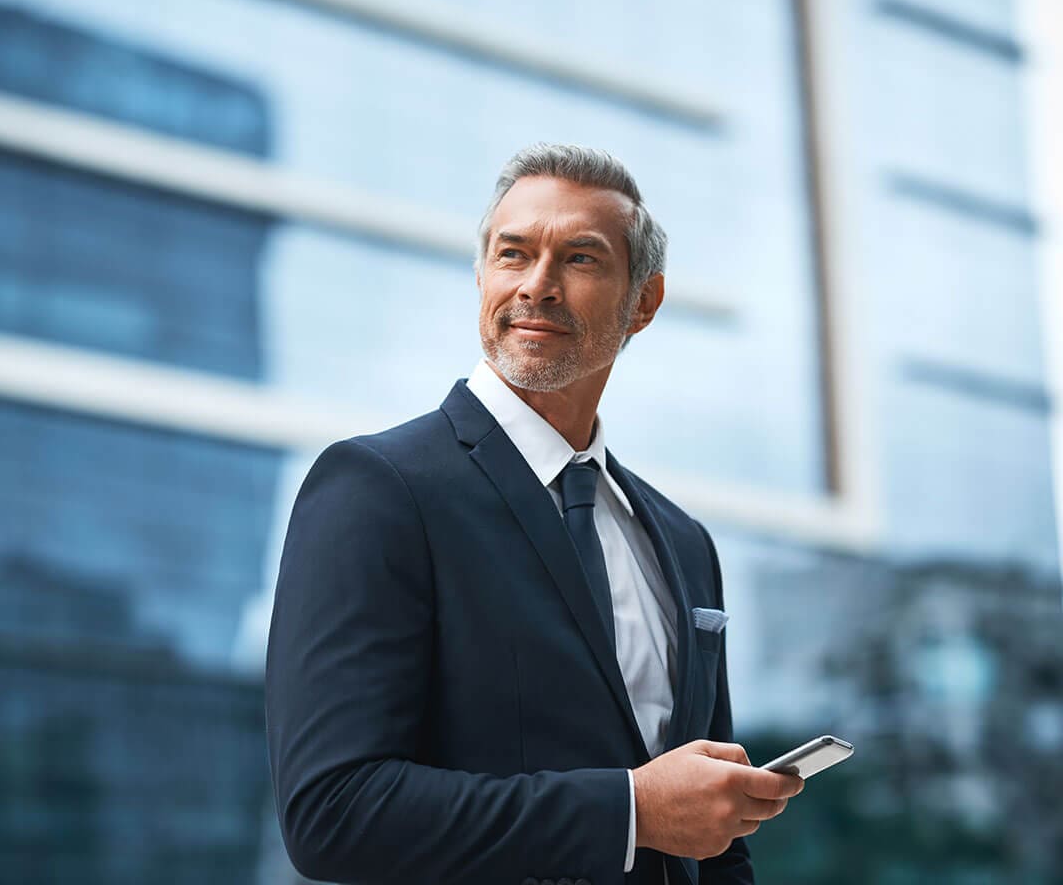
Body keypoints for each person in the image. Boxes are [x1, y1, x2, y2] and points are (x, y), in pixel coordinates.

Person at [265, 143, 804, 885]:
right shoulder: (377, 489)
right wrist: (632, 812)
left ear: (643, 302)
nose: (537, 286)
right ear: (482, 274)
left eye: (580, 260)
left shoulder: (683, 542)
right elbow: (333, 812)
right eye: (513, 254)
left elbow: (716, 841)